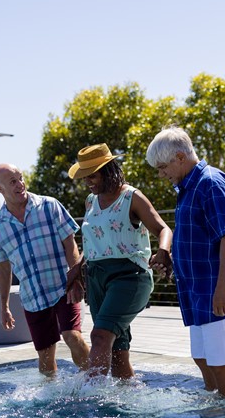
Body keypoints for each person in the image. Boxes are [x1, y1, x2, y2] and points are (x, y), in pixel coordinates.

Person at [146, 127, 225, 404]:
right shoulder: (188, 187)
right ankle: (214, 414)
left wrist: (223, 287)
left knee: (221, 362)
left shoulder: (211, 183)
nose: (161, 174)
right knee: (202, 358)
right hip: (198, 290)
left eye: (163, 167)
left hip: (216, 289)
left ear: (180, 157)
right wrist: (168, 256)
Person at [68, 143, 173, 379]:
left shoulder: (131, 197)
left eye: (92, 176)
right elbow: (97, 240)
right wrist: (77, 268)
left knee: (100, 336)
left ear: (107, 170)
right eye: (84, 177)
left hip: (128, 277)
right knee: (117, 353)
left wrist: (163, 251)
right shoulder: (90, 201)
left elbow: (163, 229)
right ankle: (130, 400)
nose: (88, 182)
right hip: (96, 278)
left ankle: (91, 399)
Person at [0, 163, 90, 376]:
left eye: (21, 178)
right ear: (0, 189)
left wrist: (76, 278)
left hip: (63, 286)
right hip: (32, 296)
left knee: (73, 336)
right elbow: (4, 268)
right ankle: (51, 398)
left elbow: (70, 243)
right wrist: (3, 306)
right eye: (12, 182)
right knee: (45, 354)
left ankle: (96, 381)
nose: (20, 184)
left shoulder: (49, 206)